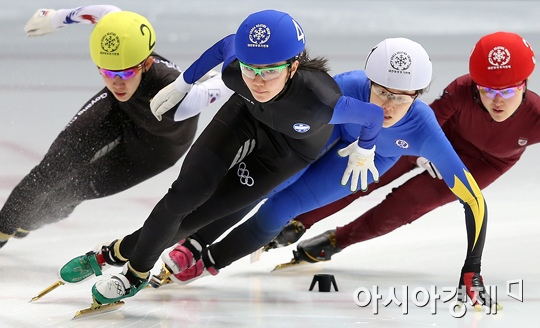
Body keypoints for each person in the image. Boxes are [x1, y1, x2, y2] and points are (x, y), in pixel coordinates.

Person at [58, 9, 385, 306]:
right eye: (250, 69)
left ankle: (113, 254)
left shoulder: (321, 102)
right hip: (246, 114)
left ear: (293, 67)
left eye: (269, 71)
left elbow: (371, 115)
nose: (257, 80)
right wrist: (183, 83)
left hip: (287, 152)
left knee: (200, 216)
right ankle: (135, 275)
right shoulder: (236, 72)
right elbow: (225, 46)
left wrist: (365, 149)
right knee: (185, 193)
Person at [155, 37, 496, 309]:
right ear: (369, 82)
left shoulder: (424, 129)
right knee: (265, 183)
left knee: (282, 208)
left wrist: (472, 268)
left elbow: (474, 201)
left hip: (370, 159)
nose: (386, 106)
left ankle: (212, 260)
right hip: (326, 133)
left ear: (419, 96)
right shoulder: (346, 86)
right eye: (380, 92)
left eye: (400, 98)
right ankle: (196, 240)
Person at [266, 31, 536, 307]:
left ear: (525, 86)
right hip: (428, 145)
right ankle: (298, 221)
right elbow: (431, 118)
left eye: (508, 91)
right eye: (488, 90)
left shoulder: (536, 116)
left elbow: (473, 202)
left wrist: (472, 269)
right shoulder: (462, 89)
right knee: (361, 179)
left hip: (485, 164)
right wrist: (422, 155)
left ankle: (335, 241)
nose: (497, 101)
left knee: (402, 209)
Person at [0, 5, 233, 249]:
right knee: (53, 167)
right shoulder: (120, 40)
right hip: (119, 112)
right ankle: (4, 226)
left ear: (146, 63)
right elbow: (106, 13)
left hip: (157, 147)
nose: (117, 83)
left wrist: (211, 79)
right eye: (108, 72)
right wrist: (54, 18)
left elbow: (231, 79)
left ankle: (30, 221)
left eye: (127, 72)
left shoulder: (175, 95)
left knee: (77, 189)